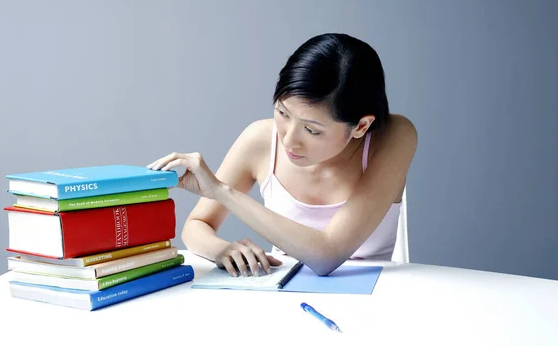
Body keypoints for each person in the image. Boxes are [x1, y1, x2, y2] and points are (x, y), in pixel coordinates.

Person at [147, 33, 417, 277]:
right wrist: (222, 251)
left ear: (360, 126)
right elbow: (196, 225)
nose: (288, 139)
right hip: (282, 292)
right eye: (283, 113)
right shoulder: (260, 139)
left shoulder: (393, 136)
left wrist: (221, 191)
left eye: (311, 130)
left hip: (374, 298)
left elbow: (327, 255)